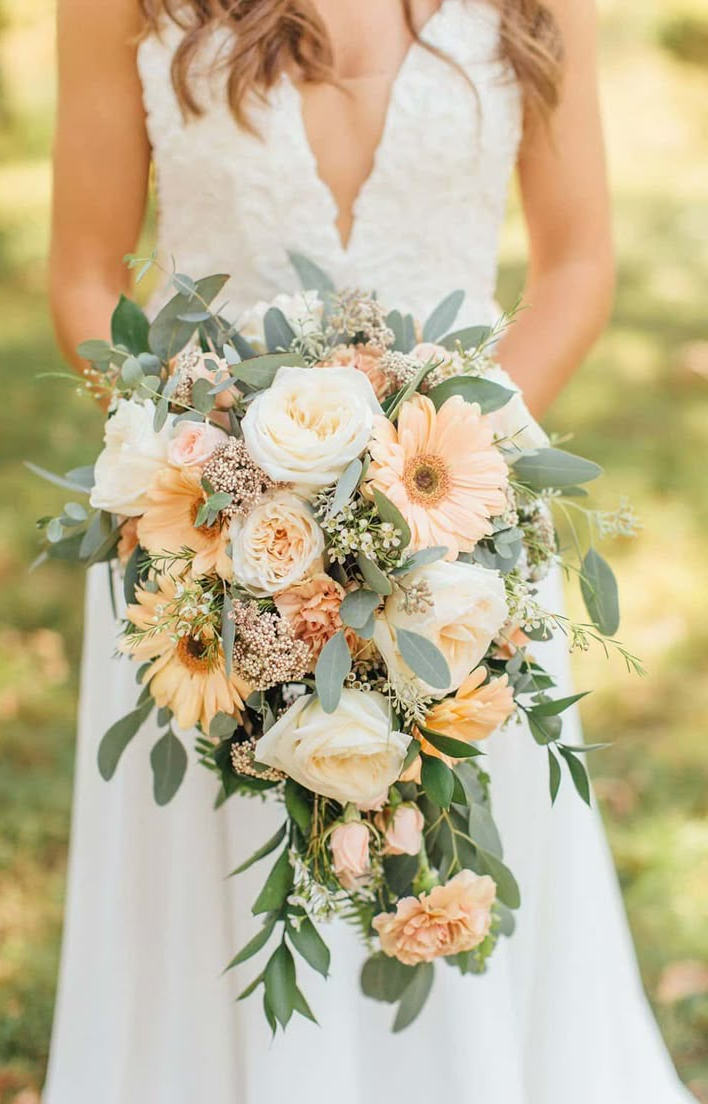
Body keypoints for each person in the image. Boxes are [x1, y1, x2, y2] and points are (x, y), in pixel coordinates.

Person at [44, 1, 694, 1101]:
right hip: (201, 529)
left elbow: (578, 265)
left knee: (449, 865)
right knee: (215, 878)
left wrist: (439, 484)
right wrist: (210, 475)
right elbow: (81, 275)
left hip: (464, 525)